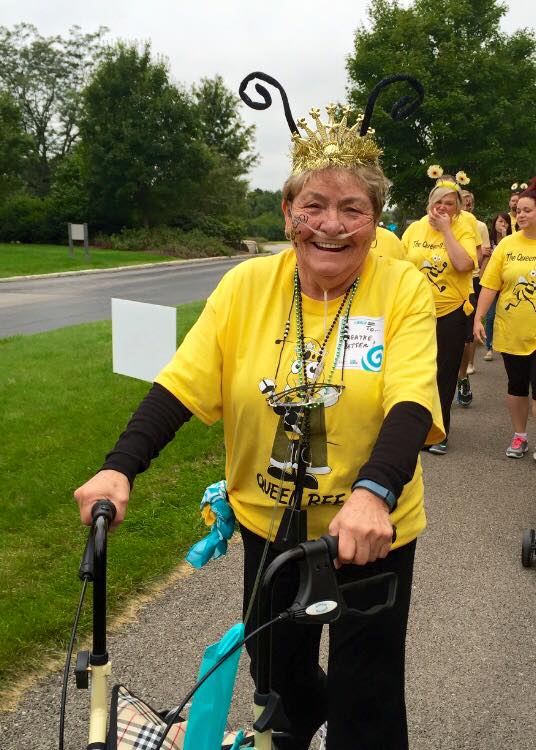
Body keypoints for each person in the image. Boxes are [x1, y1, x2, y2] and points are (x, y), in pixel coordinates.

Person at [75, 78, 444, 750]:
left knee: (368, 698)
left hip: (373, 532)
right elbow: (180, 386)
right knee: (278, 684)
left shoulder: (402, 288)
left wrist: (373, 494)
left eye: (352, 209)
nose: (330, 224)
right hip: (271, 526)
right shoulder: (246, 286)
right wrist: (117, 468)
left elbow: (412, 399)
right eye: (314, 206)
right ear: (286, 212)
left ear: (376, 220)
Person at [402, 166, 477, 454]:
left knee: (444, 374)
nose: (443, 207)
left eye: (449, 203)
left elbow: (464, 264)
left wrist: (446, 230)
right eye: (438, 202)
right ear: (429, 204)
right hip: (416, 311)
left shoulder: (463, 228)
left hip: (450, 313)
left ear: (457, 208)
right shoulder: (415, 228)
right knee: (416, 371)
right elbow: (400, 265)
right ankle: (416, 428)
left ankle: (440, 431)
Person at [474, 178, 536, 459]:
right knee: (517, 387)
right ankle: (520, 436)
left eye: (527, 210)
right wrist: (479, 318)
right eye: (518, 210)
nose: (520, 215)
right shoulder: (507, 245)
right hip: (512, 330)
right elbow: (490, 285)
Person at [455, 190, 490, 394]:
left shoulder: (476, 224)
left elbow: (482, 253)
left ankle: (465, 370)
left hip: (472, 280)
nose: (466, 207)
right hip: (442, 288)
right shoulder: (430, 225)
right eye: (463, 203)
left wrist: (481, 277)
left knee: (466, 334)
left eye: (469, 204)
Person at [481, 212, 512, 361]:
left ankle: (506, 344)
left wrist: (505, 237)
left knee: (508, 314)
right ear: (494, 224)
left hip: (507, 284)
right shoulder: (489, 241)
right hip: (492, 283)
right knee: (491, 315)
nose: (502, 224)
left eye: (505, 222)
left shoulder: (512, 240)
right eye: (500, 221)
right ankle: (489, 347)